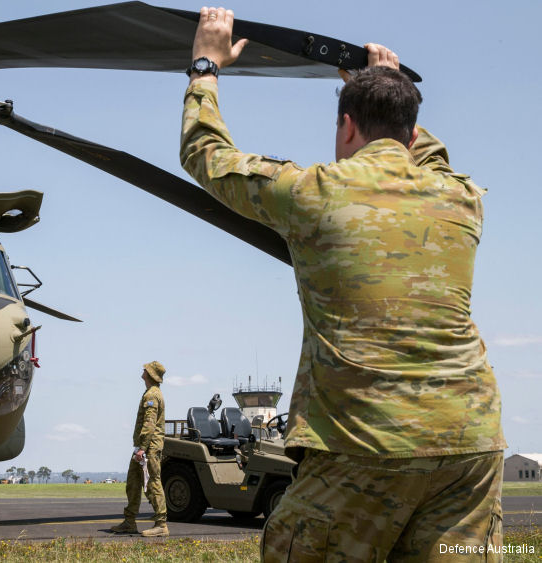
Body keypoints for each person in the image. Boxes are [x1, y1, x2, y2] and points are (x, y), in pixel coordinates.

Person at [180, 7, 505, 561]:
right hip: (470, 446)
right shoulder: (464, 199)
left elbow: (207, 156)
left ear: (347, 126)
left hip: (363, 442)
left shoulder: (314, 191)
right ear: (410, 133)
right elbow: (431, 155)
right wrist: (389, 86)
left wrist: (204, 68)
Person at [109, 361, 168, 537]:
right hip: (143, 448)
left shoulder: (152, 395)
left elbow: (149, 424)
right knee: (133, 483)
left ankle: (161, 525)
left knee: (153, 483)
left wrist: (142, 448)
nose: (142, 371)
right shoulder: (151, 393)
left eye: (145, 370)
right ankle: (129, 522)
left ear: (149, 375)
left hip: (148, 448)